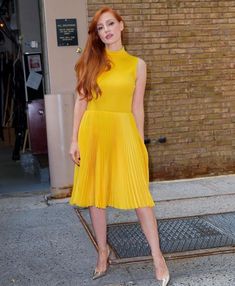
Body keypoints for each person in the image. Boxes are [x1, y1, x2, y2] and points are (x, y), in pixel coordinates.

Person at [69, 6, 170, 286]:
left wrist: (139, 142)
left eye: (110, 24)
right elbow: (81, 101)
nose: (106, 31)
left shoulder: (137, 64)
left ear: (122, 25)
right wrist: (74, 139)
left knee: (140, 196)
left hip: (124, 131)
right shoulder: (90, 61)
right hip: (94, 132)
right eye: (100, 28)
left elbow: (138, 108)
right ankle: (102, 252)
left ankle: (157, 256)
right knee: (96, 196)